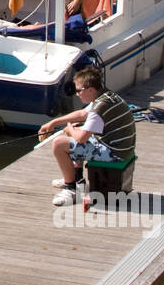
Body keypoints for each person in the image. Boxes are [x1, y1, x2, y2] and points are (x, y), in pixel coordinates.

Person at [37, 66, 136, 206]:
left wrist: (70, 128)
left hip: (115, 153)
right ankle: (77, 179)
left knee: (59, 144)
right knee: (74, 130)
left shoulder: (99, 107)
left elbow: (80, 139)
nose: (77, 94)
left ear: (90, 90)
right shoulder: (106, 96)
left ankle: (70, 189)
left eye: (78, 91)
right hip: (121, 147)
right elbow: (83, 114)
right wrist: (54, 122)